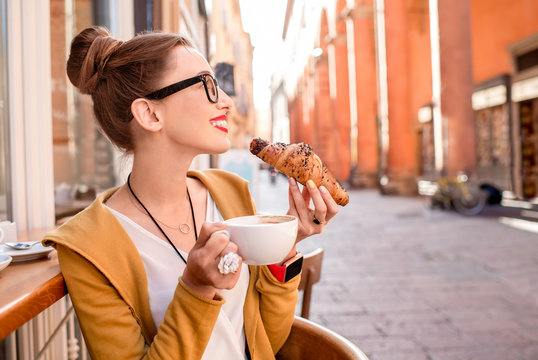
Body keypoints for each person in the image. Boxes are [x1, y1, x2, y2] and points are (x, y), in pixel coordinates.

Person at [43, 26, 339, 360]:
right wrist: (196, 288)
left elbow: (266, 341)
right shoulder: (87, 247)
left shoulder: (229, 192)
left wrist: (285, 245)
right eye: (208, 86)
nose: (227, 102)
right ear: (150, 114)